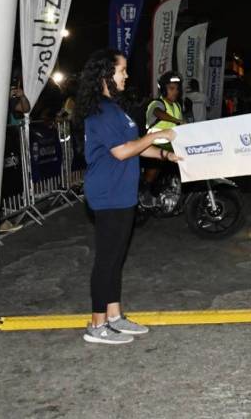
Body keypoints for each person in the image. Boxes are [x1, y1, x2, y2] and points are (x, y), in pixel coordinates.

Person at [76, 49, 181, 345]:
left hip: (121, 191)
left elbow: (132, 145)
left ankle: (114, 316)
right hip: (107, 192)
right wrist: (157, 136)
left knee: (116, 258)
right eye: (121, 70)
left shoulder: (114, 107)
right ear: (105, 75)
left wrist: (163, 155)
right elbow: (121, 151)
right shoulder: (101, 111)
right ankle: (96, 326)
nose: (126, 75)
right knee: (107, 260)